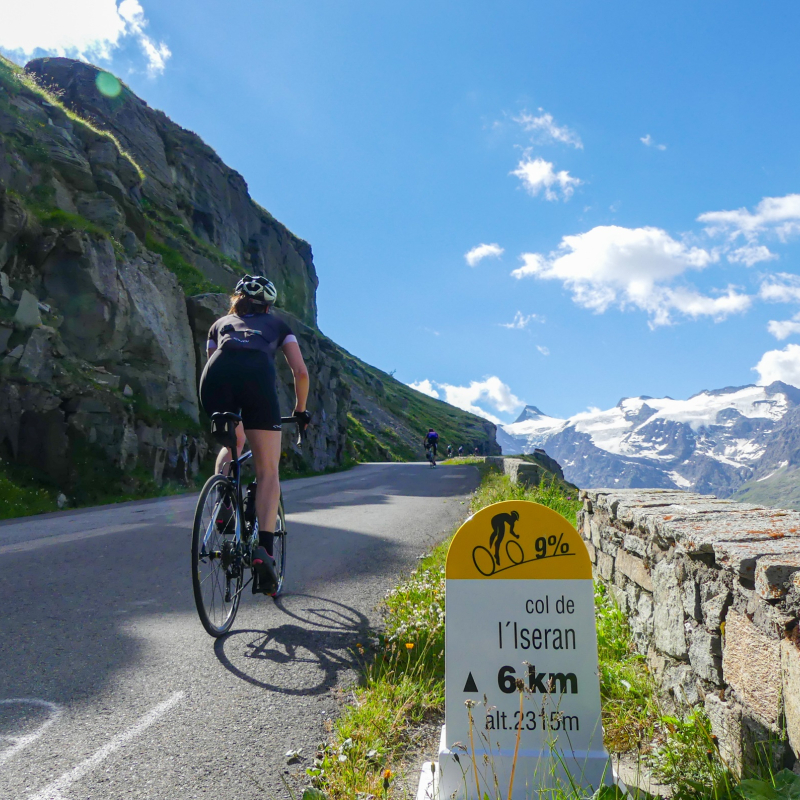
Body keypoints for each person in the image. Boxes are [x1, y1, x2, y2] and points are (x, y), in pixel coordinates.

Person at [198, 275, 310, 594]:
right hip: (256, 378)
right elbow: (299, 371)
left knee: (235, 440)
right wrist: (301, 408)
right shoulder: (278, 325)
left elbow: (214, 359)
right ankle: (265, 552)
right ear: (268, 305)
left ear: (238, 299)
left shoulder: (219, 323)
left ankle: (224, 503)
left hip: (216, 376)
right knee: (267, 471)